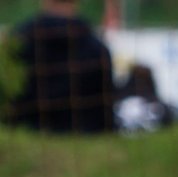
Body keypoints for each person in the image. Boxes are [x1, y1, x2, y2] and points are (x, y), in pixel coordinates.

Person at [2, 0, 116, 133]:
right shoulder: (99, 51)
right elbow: (106, 116)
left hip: (26, 132)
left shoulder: (16, 43)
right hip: (84, 134)